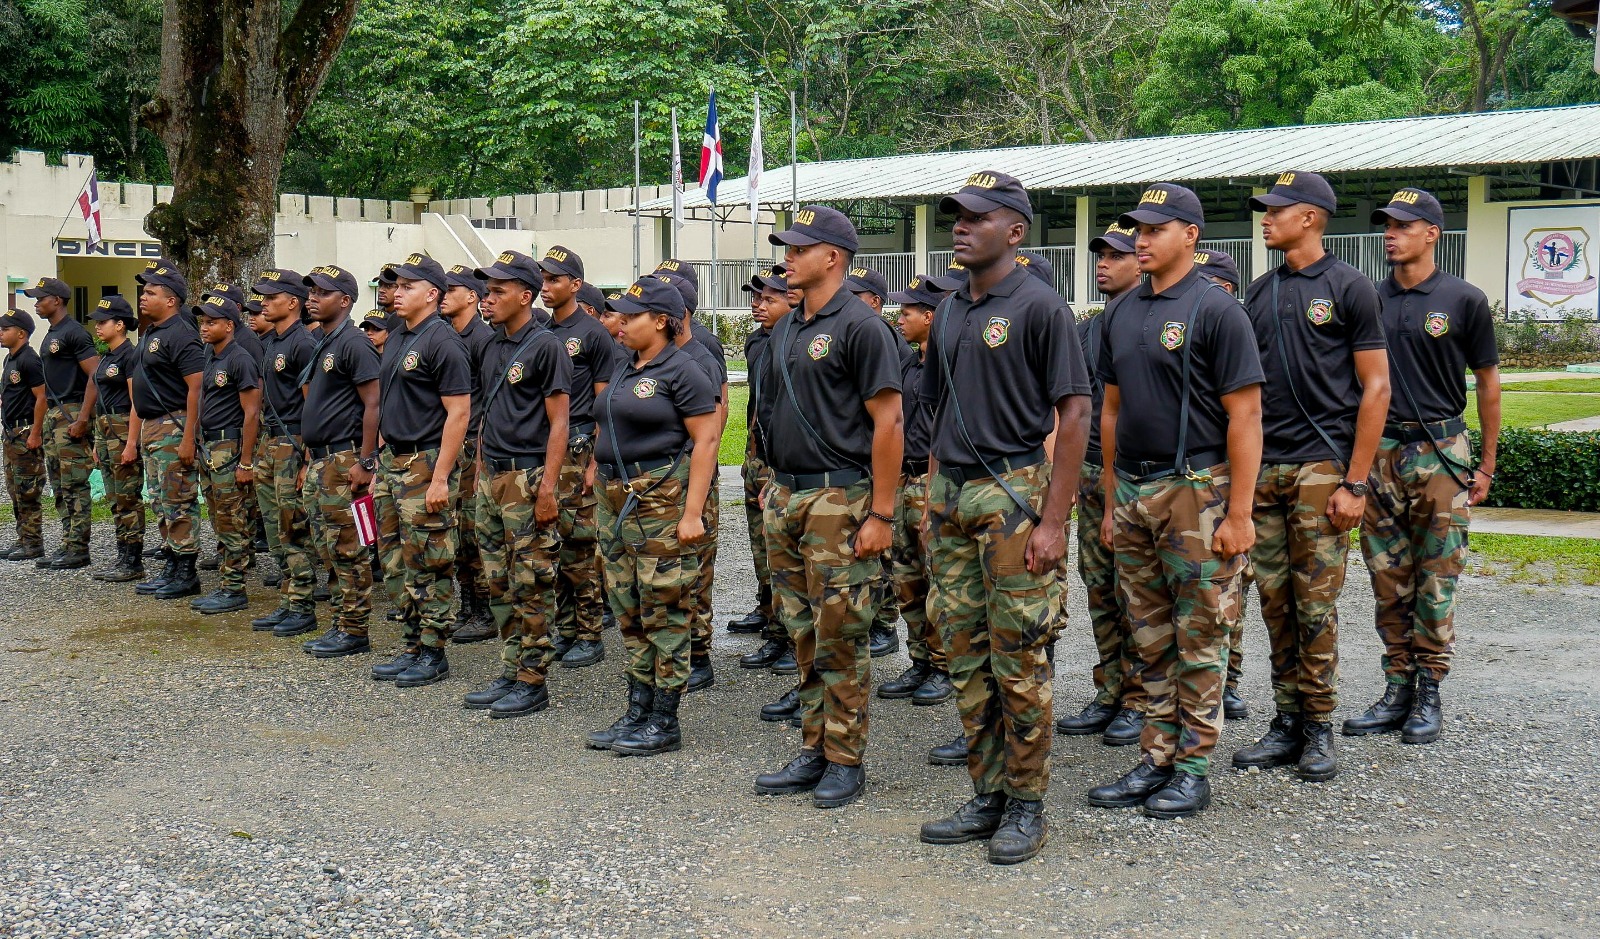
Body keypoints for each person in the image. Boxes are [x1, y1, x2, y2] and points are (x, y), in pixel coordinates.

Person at [916, 172, 1088, 865]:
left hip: (1015, 494)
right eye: (956, 216)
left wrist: (1053, 520)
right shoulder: (952, 309)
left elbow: (1073, 414)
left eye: (976, 217)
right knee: (966, 655)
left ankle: (1026, 803)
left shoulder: (1041, 306)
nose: (959, 226)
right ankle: (986, 791)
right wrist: (931, 504)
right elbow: (933, 415)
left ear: (1015, 231)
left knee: (1019, 658)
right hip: (954, 498)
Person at [1081, 184, 1264, 820]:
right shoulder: (1122, 313)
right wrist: (1109, 501)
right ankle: (1157, 754)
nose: (1141, 238)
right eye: (1138, 228)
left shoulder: (1215, 309)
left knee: (1201, 631)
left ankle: (1192, 766)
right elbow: (1109, 410)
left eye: (1155, 229)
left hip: (1196, 492)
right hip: (1133, 490)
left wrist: (1239, 513)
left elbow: (1245, 416)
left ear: (1190, 234)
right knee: (1149, 633)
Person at [1233, 171, 1390, 783]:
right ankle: (1287, 719)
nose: (1265, 219)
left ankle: (1318, 725)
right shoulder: (1261, 289)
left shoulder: (1349, 287)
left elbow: (1376, 388)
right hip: (1266, 468)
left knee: (1315, 606)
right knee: (1274, 601)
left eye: (1277, 210)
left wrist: (1356, 483)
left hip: (1324, 470)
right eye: (1264, 210)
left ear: (1311, 217)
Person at [752, 205, 903, 810]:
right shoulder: (787, 326)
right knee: (801, 629)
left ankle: (845, 756)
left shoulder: (862, 328)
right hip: (787, 493)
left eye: (798, 248)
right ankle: (814, 745)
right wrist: (771, 482)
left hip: (841, 496)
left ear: (833, 257)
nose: (787, 258)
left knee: (841, 632)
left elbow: (888, 421)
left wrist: (882, 514)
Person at [1348, 186, 1500, 745]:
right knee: (1387, 577)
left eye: (1404, 225)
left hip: (1440, 453)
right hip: (1381, 453)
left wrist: (1485, 464)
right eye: (1387, 225)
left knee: (1437, 577)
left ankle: (1429, 689)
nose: (1391, 234)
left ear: (1432, 233)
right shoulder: (1367, 299)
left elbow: (1487, 382)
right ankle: (1396, 688)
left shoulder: (1463, 299)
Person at [585, 274, 720, 755]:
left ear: (661, 321)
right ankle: (637, 709)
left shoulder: (683, 370)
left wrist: (692, 513)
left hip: (659, 500)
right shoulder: (625, 364)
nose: (619, 322)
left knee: (664, 609)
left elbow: (706, 441)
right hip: (615, 500)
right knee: (628, 607)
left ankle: (664, 719)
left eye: (631, 315)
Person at [459, 249, 573, 718]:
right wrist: (483, 468)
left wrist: (548, 488)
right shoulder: (491, 345)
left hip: (528, 476)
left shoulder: (546, 347)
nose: (490, 298)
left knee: (531, 577)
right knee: (498, 578)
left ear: (526, 296)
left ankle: (534, 678)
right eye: (488, 290)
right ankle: (511, 667)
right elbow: (486, 411)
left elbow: (560, 421)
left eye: (499, 291)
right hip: (493, 475)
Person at [1056, 222, 1148, 746]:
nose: (1104, 264)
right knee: (1101, 587)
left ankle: (1141, 697)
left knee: (1138, 592)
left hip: (1137, 475)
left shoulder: (1150, 317)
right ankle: (1111, 687)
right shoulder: (1091, 326)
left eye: (1116, 255)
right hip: (1092, 471)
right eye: (1101, 255)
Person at [369, 253, 473, 688]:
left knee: (429, 557)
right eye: (394, 286)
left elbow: (459, 413)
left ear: (432, 294)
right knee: (394, 558)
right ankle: (412, 643)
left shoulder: (442, 342)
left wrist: (440, 478)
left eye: (407, 286)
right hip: (393, 461)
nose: (396, 293)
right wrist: (376, 462)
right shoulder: (398, 336)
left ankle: (434, 650)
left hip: (425, 460)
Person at [540, 246, 626, 667]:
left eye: (554, 279)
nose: (545, 287)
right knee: (550, 542)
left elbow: (603, 404)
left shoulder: (591, 334)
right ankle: (565, 627)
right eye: (542, 278)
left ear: (575, 285)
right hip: (544, 448)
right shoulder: (541, 331)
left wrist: (595, 462)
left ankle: (589, 632)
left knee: (578, 545)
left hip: (578, 448)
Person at [877, 274, 954, 705]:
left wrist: (932, 496)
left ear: (929, 316)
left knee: (937, 579)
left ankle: (943, 665)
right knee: (906, 579)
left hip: (930, 479)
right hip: (902, 475)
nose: (899, 318)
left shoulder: (947, 364)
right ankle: (920, 659)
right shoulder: (906, 363)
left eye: (907, 312)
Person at [299, 264, 382, 660]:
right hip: (321, 460)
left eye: (322, 292)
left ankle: (354, 628)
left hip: (343, 457)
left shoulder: (354, 343)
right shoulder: (325, 341)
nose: (312, 297)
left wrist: (366, 460)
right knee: (328, 545)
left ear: (345, 301)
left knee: (348, 546)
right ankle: (340, 620)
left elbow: (374, 403)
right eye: (311, 291)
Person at [1192, 247, 1252, 722]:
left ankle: (1228, 679)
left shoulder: (1231, 324)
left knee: (1232, 590)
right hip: (1209, 474)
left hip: (1248, 473)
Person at [125, 261, 205, 600]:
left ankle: (186, 572)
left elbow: (197, 388)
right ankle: (171, 563)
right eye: (144, 292)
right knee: (160, 500)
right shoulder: (152, 333)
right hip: (153, 427)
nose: (143, 297)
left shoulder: (181, 334)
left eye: (151, 292)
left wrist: (188, 437)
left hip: (173, 425)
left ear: (171, 300)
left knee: (179, 499)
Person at [846, 264, 910, 661]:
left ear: (874, 302)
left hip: (882, 462)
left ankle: (885, 622)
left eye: (855, 297)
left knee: (887, 552)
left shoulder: (881, 338)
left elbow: (893, 416)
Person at [187, 296, 261, 614]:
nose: (204, 327)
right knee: (219, 517)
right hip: (210, 447)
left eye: (212, 322)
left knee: (232, 519)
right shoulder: (212, 357)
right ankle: (226, 583)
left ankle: (234, 588)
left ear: (229, 326)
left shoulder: (239, 359)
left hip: (229, 449)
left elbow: (252, 413)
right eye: (202, 322)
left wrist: (245, 461)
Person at [734, 266, 791, 668]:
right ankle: (769, 615)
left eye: (769, 298)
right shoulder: (757, 342)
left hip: (786, 461)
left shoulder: (797, 342)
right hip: (758, 455)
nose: (758, 305)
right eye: (756, 298)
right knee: (761, 548)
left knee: (787, 556)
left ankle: (788, 634)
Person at [23, 277, 99, 570]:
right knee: (58, 482)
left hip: (70, 412)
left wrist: (82, 418)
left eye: (41, 298)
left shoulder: (74, 333)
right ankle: (68, 542)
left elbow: (94, 375)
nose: (36, 303)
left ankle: (79, 547)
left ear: (57, 300)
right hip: (55, 414)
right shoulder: (52, 333)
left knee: (75, 483)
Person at [441, 263, 496, 644]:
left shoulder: (482, 339)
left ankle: (483, 609)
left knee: (474, 533)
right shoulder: (448, 335)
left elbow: (489, 400)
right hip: (453, 445)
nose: (443, 295)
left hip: (474, 443)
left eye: (451, 289)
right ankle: (466, 606)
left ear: (472, 297)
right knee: (457, 534)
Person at [87, 296, 147, 582]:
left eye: (103, 322)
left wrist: (132, 443)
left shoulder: (130, 355)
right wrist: (98, 444)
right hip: (105, 430)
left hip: (123, 428)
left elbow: (136, 402)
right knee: (114, 497)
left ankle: (133, 559)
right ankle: (122, 554)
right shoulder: (107, 356)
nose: (98, 327)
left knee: (128, 496)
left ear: (120, 324)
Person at [0, 308, 47, 561]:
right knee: (14, 490)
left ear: (21, 333)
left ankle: (33, 543)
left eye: (5, 329)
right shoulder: (10, 359)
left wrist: (36, 432)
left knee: (28, 490)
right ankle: (22, 539)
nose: (1, 333)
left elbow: (42, 397)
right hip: (10, 433)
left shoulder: (29, 359)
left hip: (25, 430)